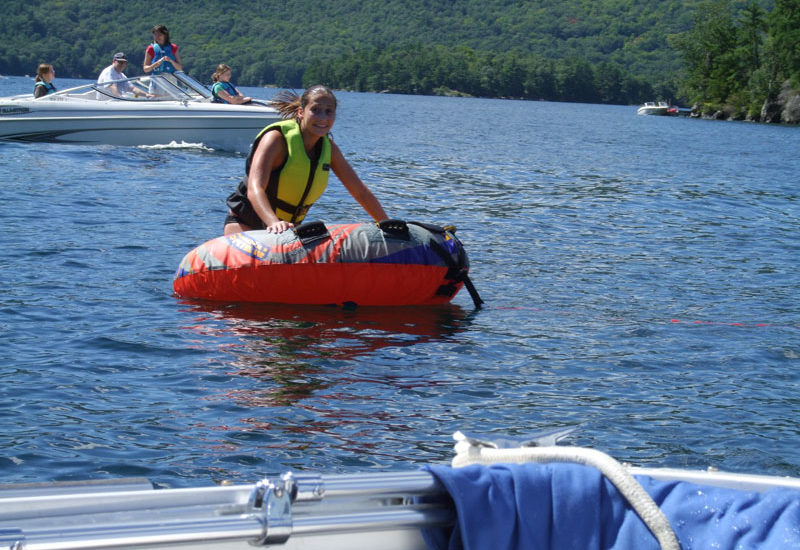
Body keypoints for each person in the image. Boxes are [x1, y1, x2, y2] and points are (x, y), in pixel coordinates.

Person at [224, 85, 388, 235]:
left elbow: (359, 191)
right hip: (246, 225)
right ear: (301, 112)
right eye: (315, 110)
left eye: (329, 111)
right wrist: (273, 223)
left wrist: (386, 224)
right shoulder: (276, 140)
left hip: (284, 233)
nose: (323, 117)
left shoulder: (329, 149)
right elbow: (255, 188)